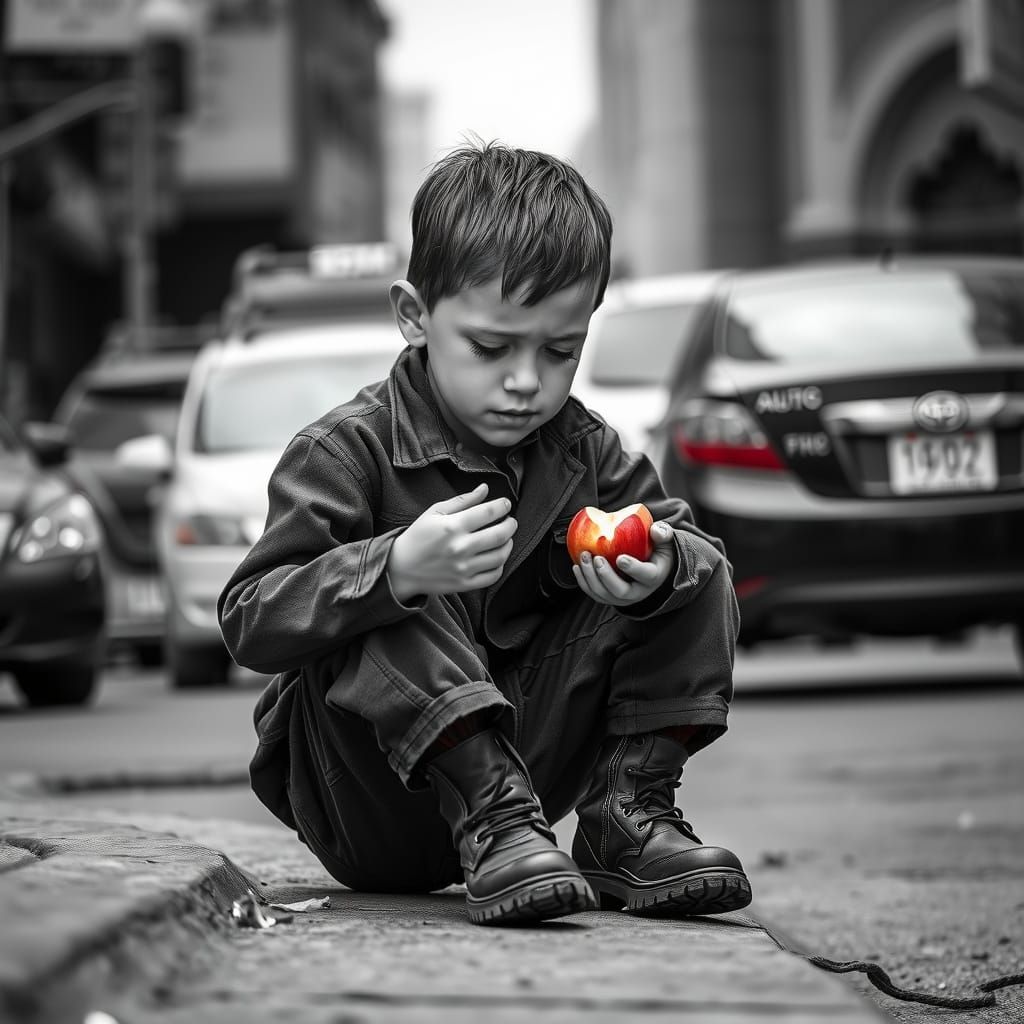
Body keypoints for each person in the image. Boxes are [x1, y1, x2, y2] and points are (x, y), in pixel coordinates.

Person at [218, 140, 751, 927]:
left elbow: (681, 554)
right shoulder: (345, 451)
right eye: (492, 347)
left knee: (695, 566)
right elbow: (249, 615)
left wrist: (655, 566)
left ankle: (626, 817)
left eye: (560, 350)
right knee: (396, 575)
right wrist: (394, 568)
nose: (526, 381)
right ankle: (489, 810)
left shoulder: (584, 448)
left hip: (534, 800)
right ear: (414, 317)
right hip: (376, 804)